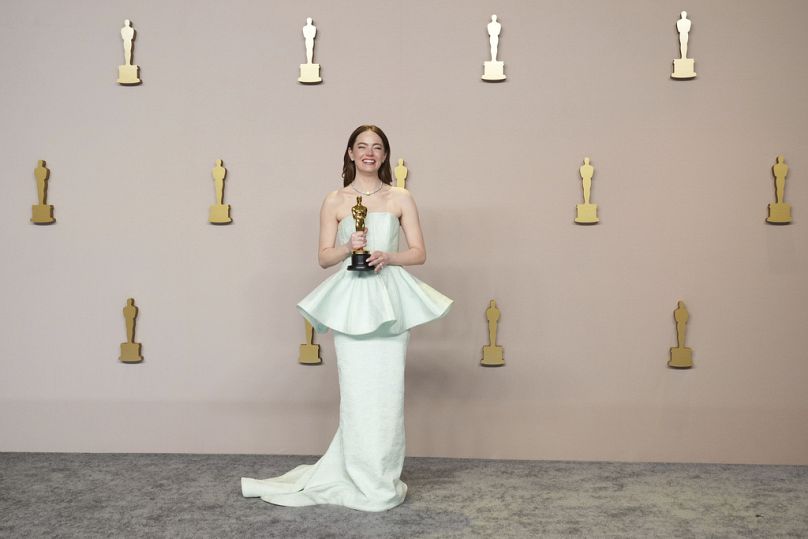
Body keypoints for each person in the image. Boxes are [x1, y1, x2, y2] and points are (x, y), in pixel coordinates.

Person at [241, 125, 452, 511]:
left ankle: (381, 478)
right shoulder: (335, 200)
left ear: (385, 156)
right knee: (358, 395)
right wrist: (346, 246)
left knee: (387, 395)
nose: (369, 153)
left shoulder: (401, 197)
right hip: (352, 301)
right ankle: (355, 474)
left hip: (388, 302)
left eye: (377, 147)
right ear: (351, 154)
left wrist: (388, 256)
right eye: (362, 147)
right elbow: (323, 257)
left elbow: (419, 252)